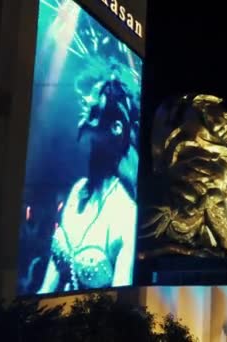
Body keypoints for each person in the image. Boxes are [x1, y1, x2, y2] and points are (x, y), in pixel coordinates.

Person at [38, 75, 139, 293]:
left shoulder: (126, 213)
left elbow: (120, 298)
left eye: (97, 95)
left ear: (117, 127)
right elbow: (48, 284)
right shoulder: (77, 192)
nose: (86, 100)